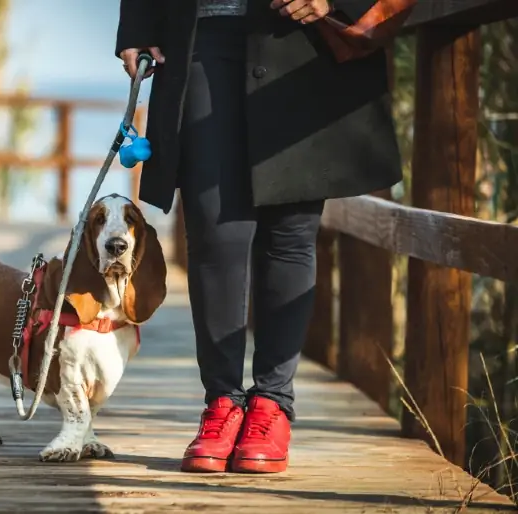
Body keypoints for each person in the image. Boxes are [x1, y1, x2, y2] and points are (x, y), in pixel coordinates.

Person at [114, 0, 402, 474]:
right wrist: (139, 22)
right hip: (202, 35)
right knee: (214, 230)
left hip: (304, 39)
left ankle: (272, 403)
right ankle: (222, 403)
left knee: (289, 231)